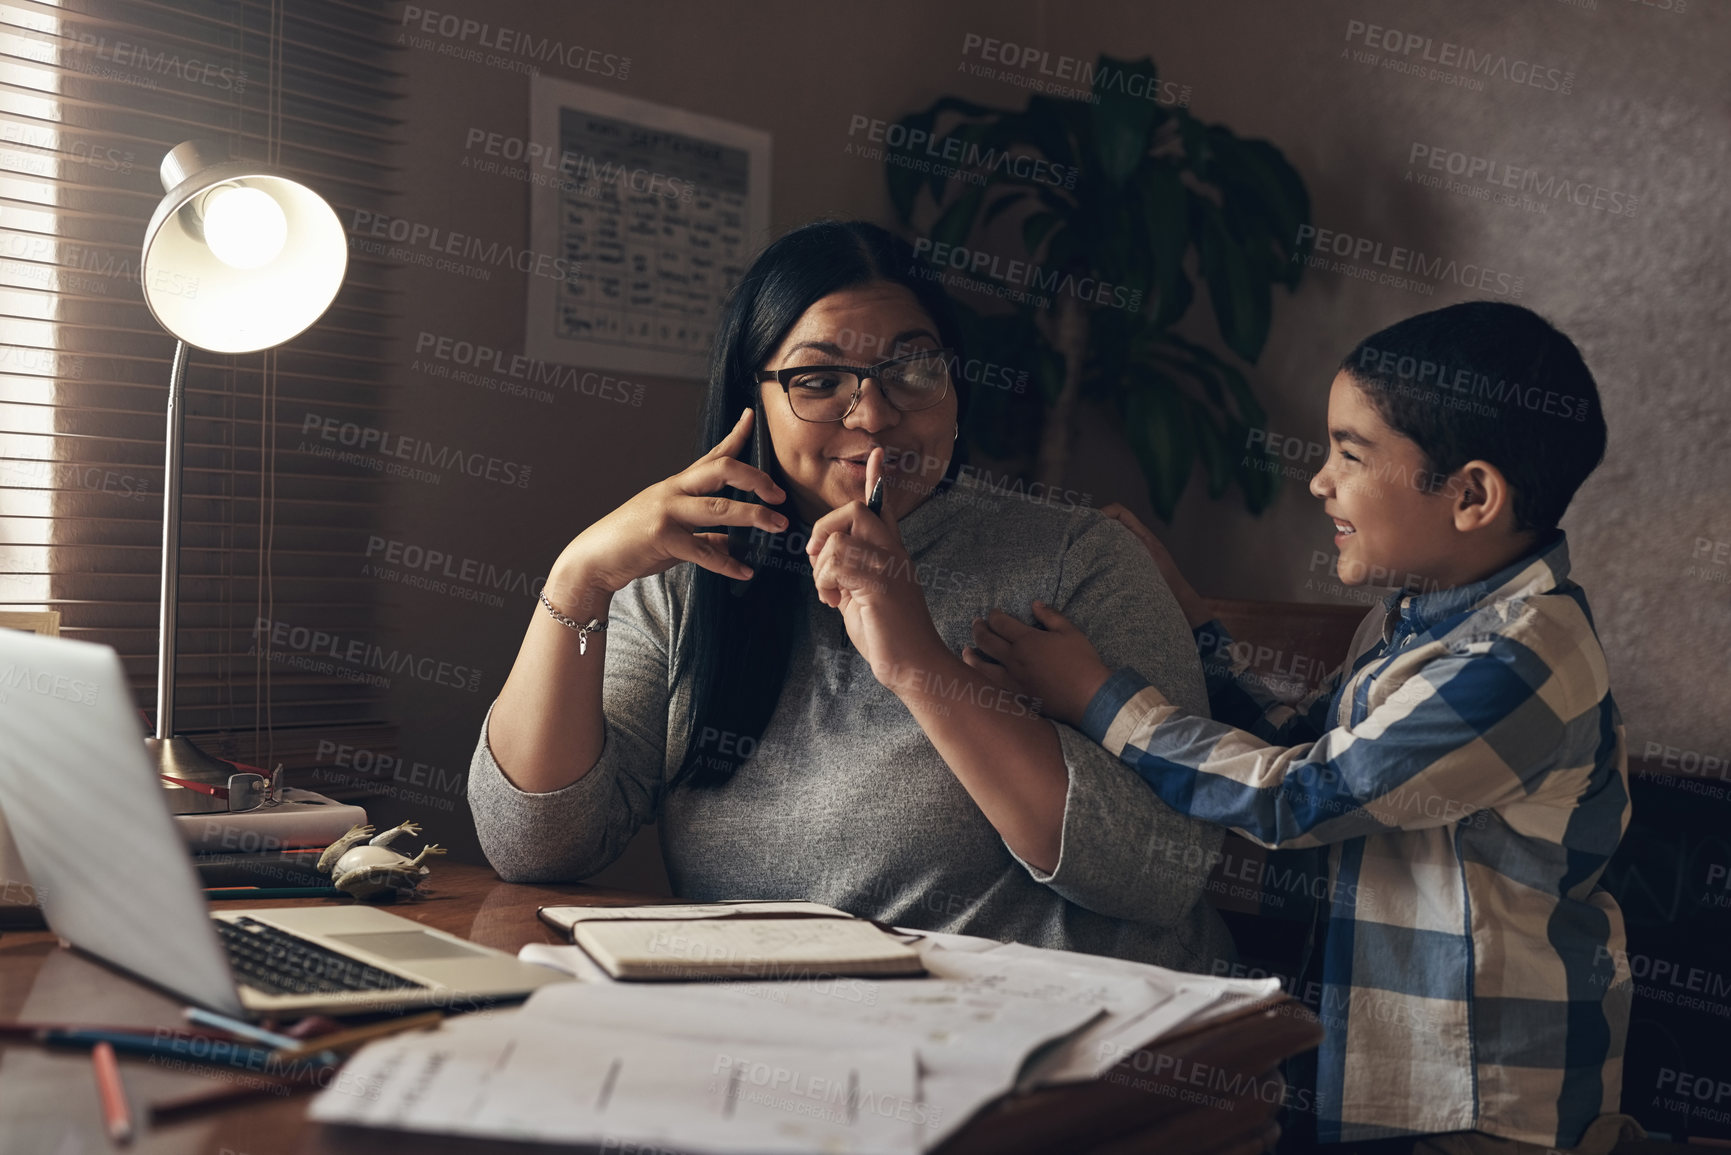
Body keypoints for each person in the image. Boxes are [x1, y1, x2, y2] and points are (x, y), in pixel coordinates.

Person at [467, 219, 1235, 971]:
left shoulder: (1078, 558)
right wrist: (580, 577)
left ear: (954, 388)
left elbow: (1160, 872)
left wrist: (914, 660)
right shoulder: (683, 583)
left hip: (1053, 1046)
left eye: (912, 369)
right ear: (753, 397)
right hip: (779, 1041)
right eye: (818, 379)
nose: (872, 414)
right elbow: (537, 846)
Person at [966, 301, 1642, 1153]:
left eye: (1350, 454)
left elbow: (1302, 797)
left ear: (1470, 494)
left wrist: (1099, 697)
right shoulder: (1410, 620)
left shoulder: (1518, 662)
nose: (1319, 480)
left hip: (1481, 1105)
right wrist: (1193, 625)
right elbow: (1293, 749)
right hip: (1382, 1085)